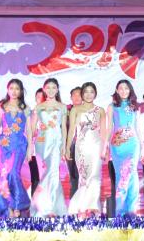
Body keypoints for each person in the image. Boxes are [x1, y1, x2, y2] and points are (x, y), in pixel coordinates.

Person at [0, 79, 31, 217]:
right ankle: (9, 206)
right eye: (11, 88)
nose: (14, 91)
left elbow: (29, 130)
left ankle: (17, 204)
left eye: (17, 88)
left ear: (21, 91)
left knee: (13, 173)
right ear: (8, 90)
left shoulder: (25, 108)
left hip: (19, 145)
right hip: (4, 145)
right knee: (4, 175)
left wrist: (30, 149)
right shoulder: (3, 106)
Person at [29, 78, 68, 216]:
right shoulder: (38, 107)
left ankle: (49, 207)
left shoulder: (62, 107)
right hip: (42, 143)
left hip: (56, 142)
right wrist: (30, 146)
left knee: (54, 172)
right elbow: (31, 129)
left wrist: (64, 146)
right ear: (44, 89)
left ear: (57, 90)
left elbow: (64, 128)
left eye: (53, 87)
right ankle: (45, 205)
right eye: (48, 87)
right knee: (47, 172)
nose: (51, 90)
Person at [67, 82, 105, 216]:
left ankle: (93, 208)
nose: (89, 94)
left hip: (96, 147)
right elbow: (71, 131)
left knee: (95, 176)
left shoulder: (100, 110)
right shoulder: (75, 110)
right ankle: (82, 208)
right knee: (83, 178)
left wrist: (105, 149)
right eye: (86, 92)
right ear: (82, 94)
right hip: (81, 149)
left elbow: (104, 132)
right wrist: (67, 148)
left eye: (91, 92)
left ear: (95, 94)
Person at [107, 80, 141, 217]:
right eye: (120, 88)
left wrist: (142, 147)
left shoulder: (135, 107)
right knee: (121, 175)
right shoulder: (112, 107)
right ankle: (121, 212)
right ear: (116, 90)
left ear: (130, 90)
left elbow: (137, 128)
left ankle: (131, 210)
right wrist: (105, 146)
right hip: (117, 146)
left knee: (131, 172)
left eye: (126, 88)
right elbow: (109, 128)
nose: (123, 91)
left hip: (132, 145)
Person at [67, 86, 83, 195]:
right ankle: (74, 198)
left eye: (79, 95)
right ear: (71, 97)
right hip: (70, 146)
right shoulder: (66, 110)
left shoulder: (89, 110)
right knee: (73, 174)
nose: (77, 97)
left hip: (84, 146)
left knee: (83, 174)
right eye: (74, 95)